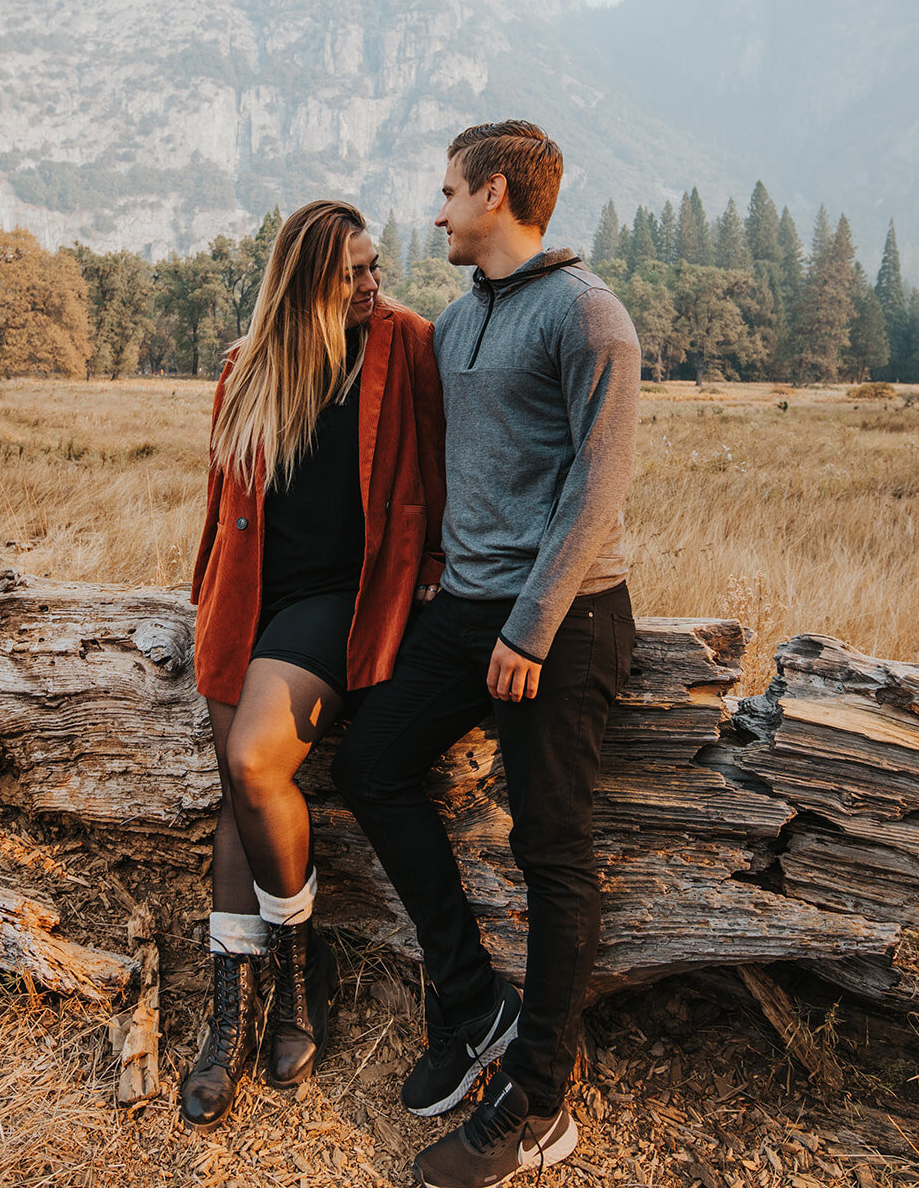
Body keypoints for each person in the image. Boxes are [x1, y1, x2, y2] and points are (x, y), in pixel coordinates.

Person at [332, 122, 641, 1188]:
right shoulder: (461, 319)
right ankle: (476, 1005)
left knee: (553, 848)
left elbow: (598, 490)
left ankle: (539, 1099)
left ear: (495, 194)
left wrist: (533, 623)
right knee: (368, 765)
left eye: (449, 191)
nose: (437, 210)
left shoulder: (590, 316)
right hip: (465, 610)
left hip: (561, 622)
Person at [178, 199, 446, 1134]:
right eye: (353, 272)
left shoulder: (406, 343)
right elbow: (221, 505)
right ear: (305, 282)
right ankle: (229, 1020)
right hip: (246, 602)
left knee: (254, 762)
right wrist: (200, 600)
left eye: (375, 266)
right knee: (236, 799)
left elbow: (447, 464)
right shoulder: (247, 370)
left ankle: (296, 976)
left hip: (340, 598)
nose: (373, 284)